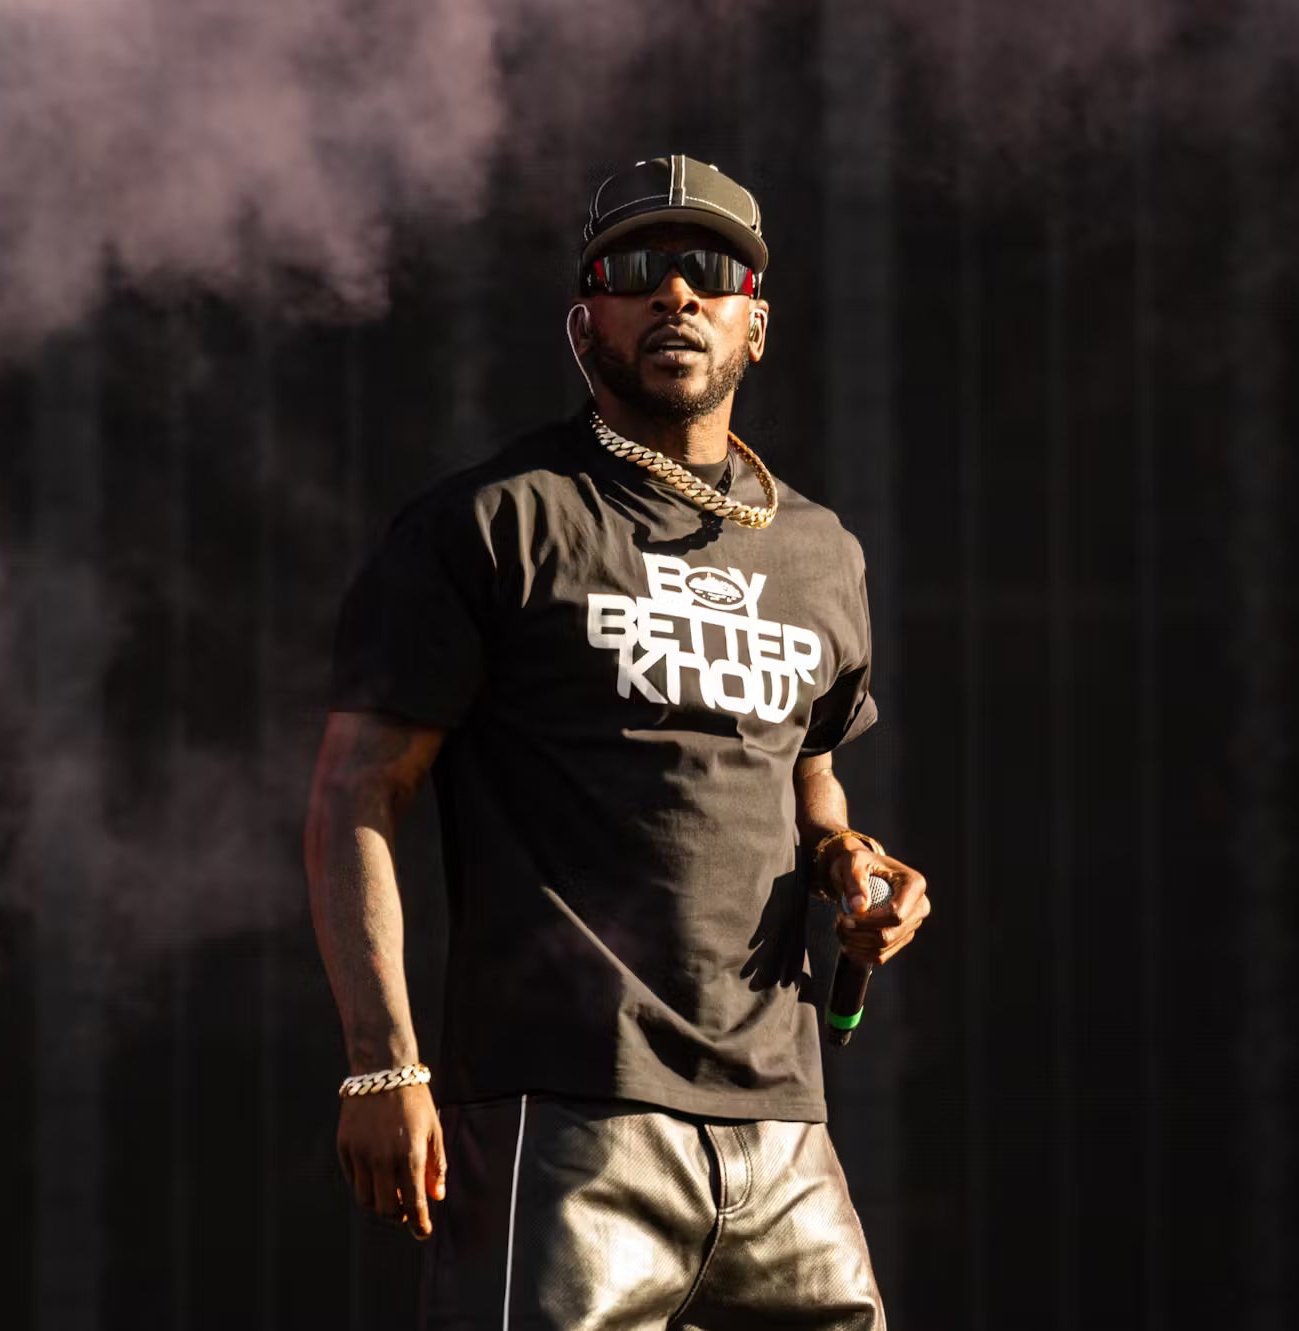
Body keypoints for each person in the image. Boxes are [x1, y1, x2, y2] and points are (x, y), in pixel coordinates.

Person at [306, 153, 930, 1330]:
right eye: (637, 268)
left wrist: (860, 867)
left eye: (709, 270)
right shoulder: (496, 522)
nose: (676, 295)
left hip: (783, 1131)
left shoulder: (820, 554)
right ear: (583, 318)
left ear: (756, 319)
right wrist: (383, 1061)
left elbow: (811, 782)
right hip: (567, 1120)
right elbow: (356, 791)